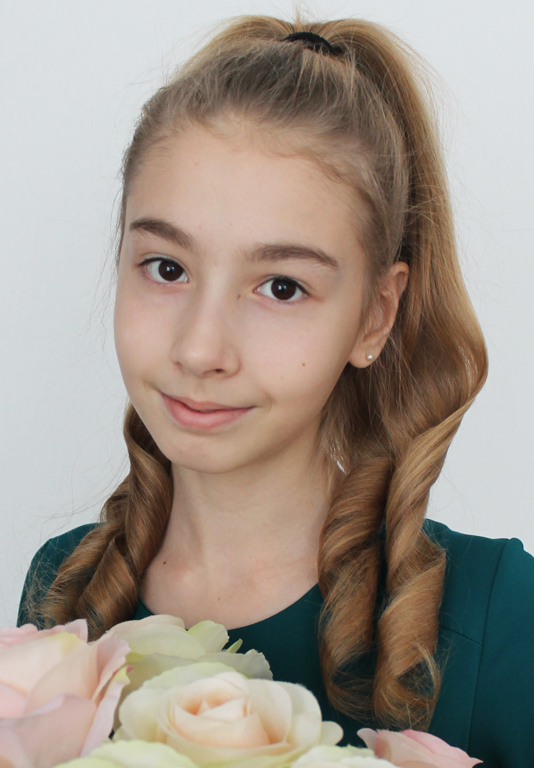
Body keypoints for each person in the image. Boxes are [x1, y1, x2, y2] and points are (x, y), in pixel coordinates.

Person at [16, 12, 534, 768]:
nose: (200, 349)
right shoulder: (63, 592)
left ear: (375, 316)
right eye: (167, 268)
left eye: (282, 286)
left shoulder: (501, 616)